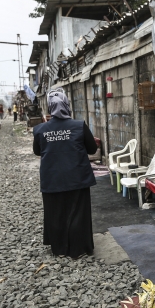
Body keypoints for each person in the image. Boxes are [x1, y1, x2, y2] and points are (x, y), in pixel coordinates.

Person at [33, 89, 98, 258]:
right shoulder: (78, 126)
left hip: (52, 178)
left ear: (49, 107)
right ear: (67, 105)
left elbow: (37, 152)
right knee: (78, 213)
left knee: (55, 213)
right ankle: (79, 248)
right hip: (77, 178)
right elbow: (92, 148)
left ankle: (59, 248)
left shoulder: (40, 129)